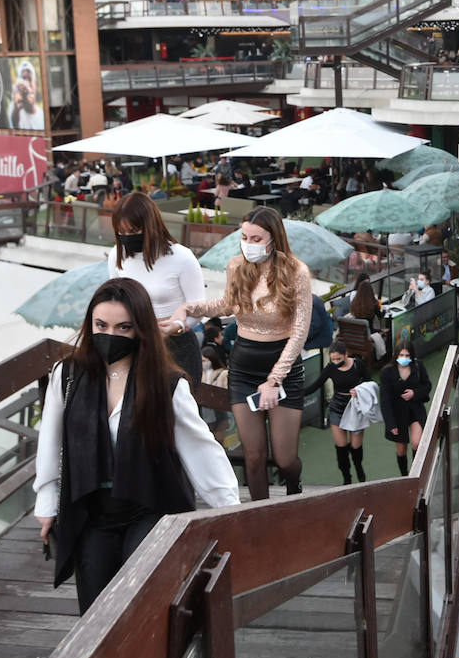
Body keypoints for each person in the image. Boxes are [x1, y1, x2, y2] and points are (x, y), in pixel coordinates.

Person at [33, 279, 239, 613]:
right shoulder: (67, 374)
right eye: (101, 325)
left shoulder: (166, 383)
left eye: (123, 327)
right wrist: (47, 502)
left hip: (149, 505)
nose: (109, 335)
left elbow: (202, 451)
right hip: (91, 508)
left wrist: (230, 512)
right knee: (95, 608)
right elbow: (51, 439)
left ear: (140, 329)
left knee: (141, 599)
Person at [170, 207, 313, 500]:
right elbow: (227, 305)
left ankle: (294, 487)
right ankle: (260, 519)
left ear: (274, 239)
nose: (249, 243)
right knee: (254, 455)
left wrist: (274, 380)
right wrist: (189, 308)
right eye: (244, 236)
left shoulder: (297, 272)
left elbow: (300, 331)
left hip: (283, 366)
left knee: (285, 459)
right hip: (244, 365)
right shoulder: (237, 266)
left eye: (256, 238)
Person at [108, 192, 207, 383]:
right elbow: (116, 300)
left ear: (149, 226)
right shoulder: (117, 255)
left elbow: (198, 308)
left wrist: (176, 327)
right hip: (134, 346)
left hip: (177, 347)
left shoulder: (182, 257)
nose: (127, 238)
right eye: (122, 233)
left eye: (133, 231)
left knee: (179, 408)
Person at [305, 341, 372, 484]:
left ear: (346, 354)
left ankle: (359, 469)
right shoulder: (330, 368)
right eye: (333, 359)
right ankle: (346, 477)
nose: (335, 362)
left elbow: (369, 383)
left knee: (356, 447)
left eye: (338, 359)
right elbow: (316, 385)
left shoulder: (357, 364)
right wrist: (297, 393)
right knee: (341, 447)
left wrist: (359, 390)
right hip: (337, 407)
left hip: (355, 406)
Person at [380, 340, 432, 476]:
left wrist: (415, 393)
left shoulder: (418, 366)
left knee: (417, 443)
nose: (404, 358)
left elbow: (427, 386)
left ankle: (416, 474)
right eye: (401, 355)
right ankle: (404, 475)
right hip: (397, 414)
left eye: (407, 355)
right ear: (396, 355)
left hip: (415, 410)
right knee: (401, 450)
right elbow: (385, 400)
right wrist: (390, 424)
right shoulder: (387, 372)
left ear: (412, 356)